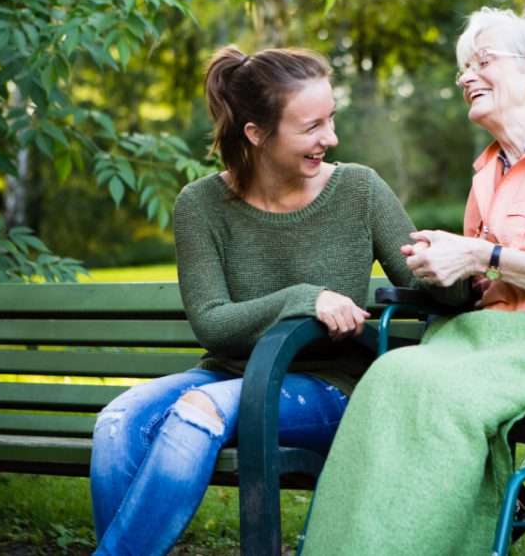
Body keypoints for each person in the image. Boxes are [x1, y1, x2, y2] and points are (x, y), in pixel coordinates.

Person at [301, 6, 525, 554]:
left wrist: (482, 255)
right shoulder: (488, 174)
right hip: (490, 340)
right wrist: (447, 264)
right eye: (462, 68)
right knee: (388, 376)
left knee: (442, 393)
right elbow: (485, 278)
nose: (466, 77)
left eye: (482, 61)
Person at [89, 46, 464, 556]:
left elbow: (432, 290)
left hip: (332, 387)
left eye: (330, 119)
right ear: (256, 134)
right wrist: (305, 298)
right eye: (311, 127)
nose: (330, 138)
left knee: (199, 411)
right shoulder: (200, 205)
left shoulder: (359, 189)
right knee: (119, 421)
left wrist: (457, 269)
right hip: (229, 375)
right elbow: (213, 325)